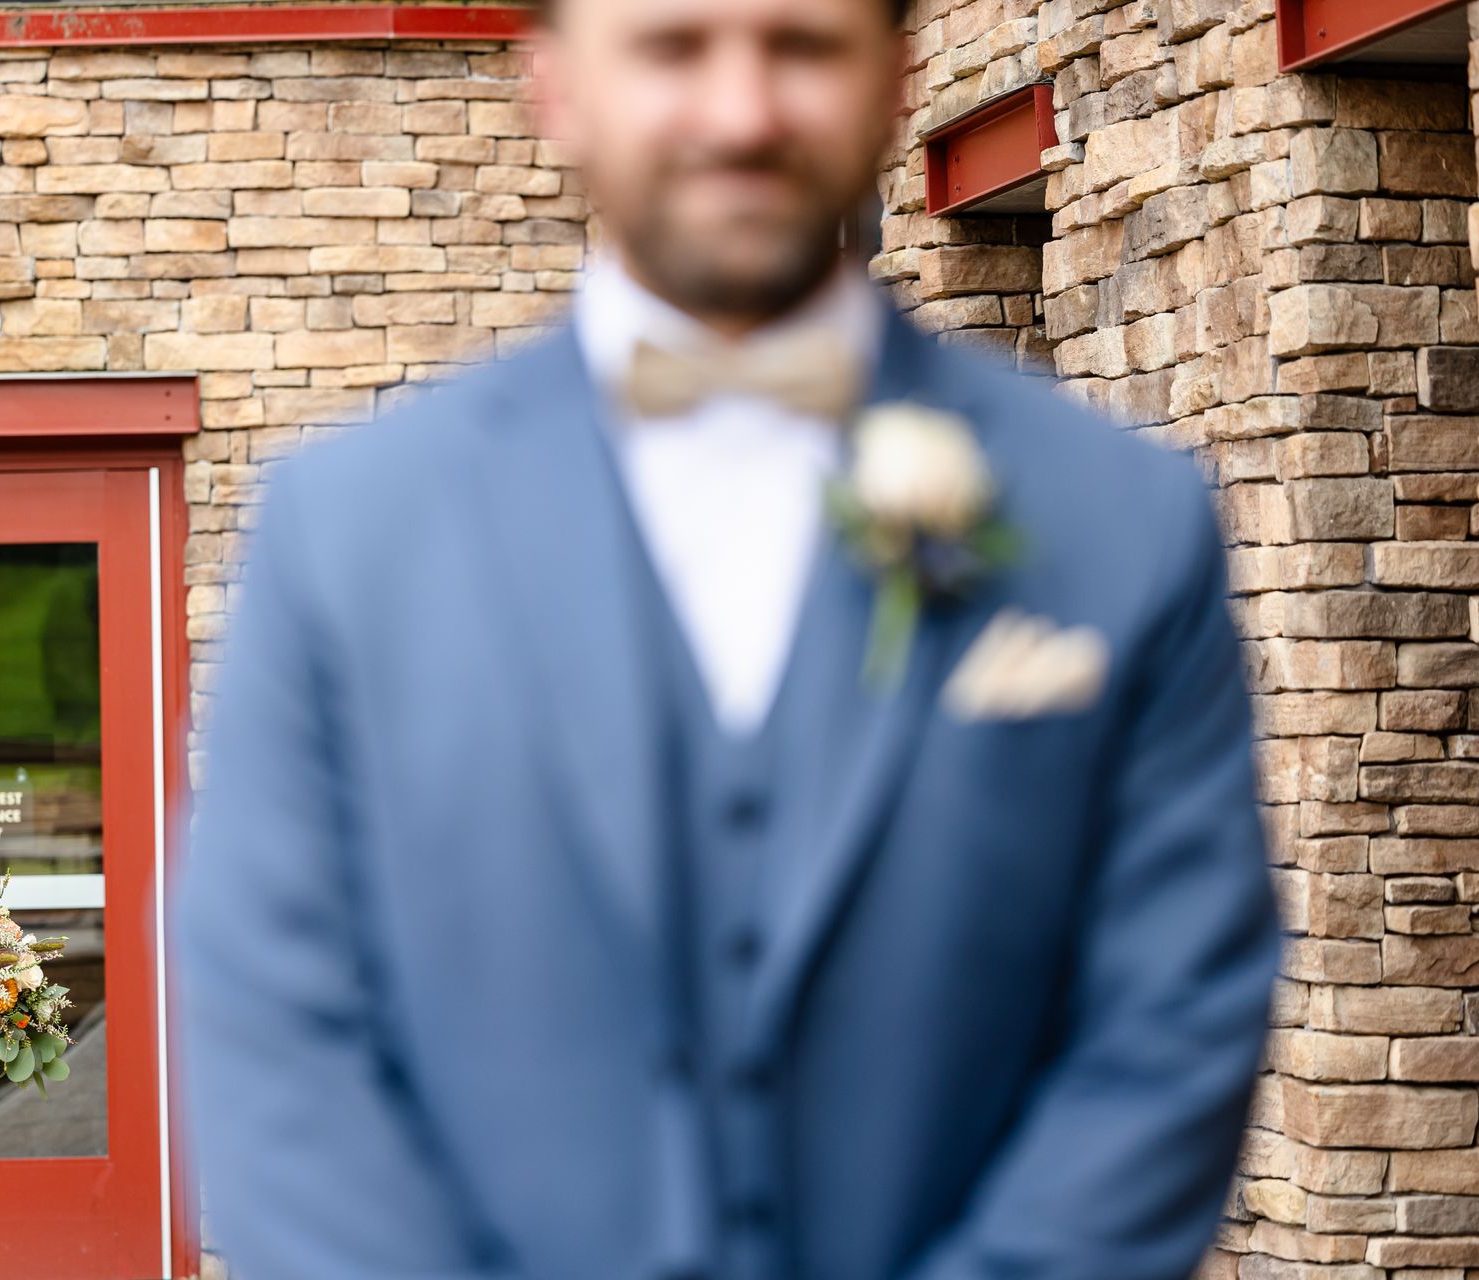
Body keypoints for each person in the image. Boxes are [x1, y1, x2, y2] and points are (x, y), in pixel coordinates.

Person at [181, 0, 1282, 1275]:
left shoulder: (1121, 523)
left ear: (893, 76)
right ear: (554, 81)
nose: (743, 111)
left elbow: (1169, 1025)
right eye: (675, 46)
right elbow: (278, 1043)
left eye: (802, 44)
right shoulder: (345, 537)